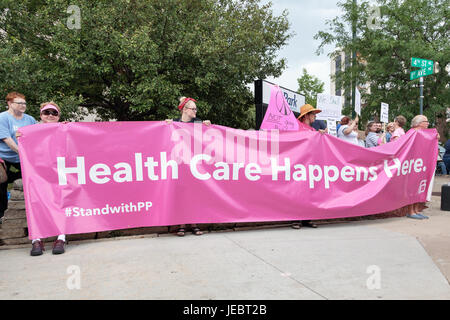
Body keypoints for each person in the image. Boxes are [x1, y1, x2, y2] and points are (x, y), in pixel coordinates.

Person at [22, 102, 67, 256]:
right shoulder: (30, 131)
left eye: (54, 113)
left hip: (58, 171)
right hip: (36, 172)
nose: (50, 115)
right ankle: (36, 240)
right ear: (41, 115)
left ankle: (61, 238)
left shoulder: (65, 128)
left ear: (58, 116)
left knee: (61, 203)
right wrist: (20, 136)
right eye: (46, 112)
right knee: (35, 202)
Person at [166, 97, 211, 236]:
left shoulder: (198, 123)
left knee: (194, 194)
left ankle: (194, 224)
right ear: (185, 110)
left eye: (196, 109)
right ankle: (182, 225)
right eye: (193, 108)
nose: (195, 111)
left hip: (195, 165)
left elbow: (208, 136)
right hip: (179, 165)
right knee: (181, 195)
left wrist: (208, 125)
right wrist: (166, 124)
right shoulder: (174, 123)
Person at [0, 92, 37, 223]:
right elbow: (7, 140)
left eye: (24, 103)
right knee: (2, 183)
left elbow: (37, 136)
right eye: (19, 103)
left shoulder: (30, 119)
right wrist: (23, 152)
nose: (23, 105)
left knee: (32, 180)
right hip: (4, 156)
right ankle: (2, 215)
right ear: (10, 104)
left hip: (22, 158)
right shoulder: (3, 118)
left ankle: (32, 211)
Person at [291, 104, 321, 229]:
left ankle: (307, 218)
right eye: (313, 114)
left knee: (309, 192)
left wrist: (321, 136)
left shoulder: (313, 130)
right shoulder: (296, 127)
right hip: (297, 164)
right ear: (307, 115)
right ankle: (296, 219)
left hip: (310, 165)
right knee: (297, 192)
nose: (315, 116)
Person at [405, 115, 439, 220]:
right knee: (412, 189)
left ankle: (416, 209)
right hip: (413, 165)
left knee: (418, 188)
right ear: (419, 123)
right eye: (426, 121)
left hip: (420, 165)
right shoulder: (413, 132)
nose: (428, 123)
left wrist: (434, 137)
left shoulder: (422, 133)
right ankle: (411, 211)